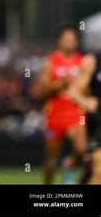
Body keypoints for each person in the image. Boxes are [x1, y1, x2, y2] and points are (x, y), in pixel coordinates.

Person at [33, 25, 86, 184]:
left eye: (72, 39)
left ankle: (69, 165)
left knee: (82, 149)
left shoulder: (82, 61)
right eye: (66, 39)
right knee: (51, 160)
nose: (70, 42)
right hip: (54, 114)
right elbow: (39, 93)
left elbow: (89, 88)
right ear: (59, 41)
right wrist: (58, 85)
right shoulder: (50, 62)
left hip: (75, 112)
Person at [66, 51, 101, 184]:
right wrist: (85, 102)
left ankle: (87, 173)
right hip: (98, 121)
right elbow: (74, 92)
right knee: (100, 174)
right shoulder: (92, 61)